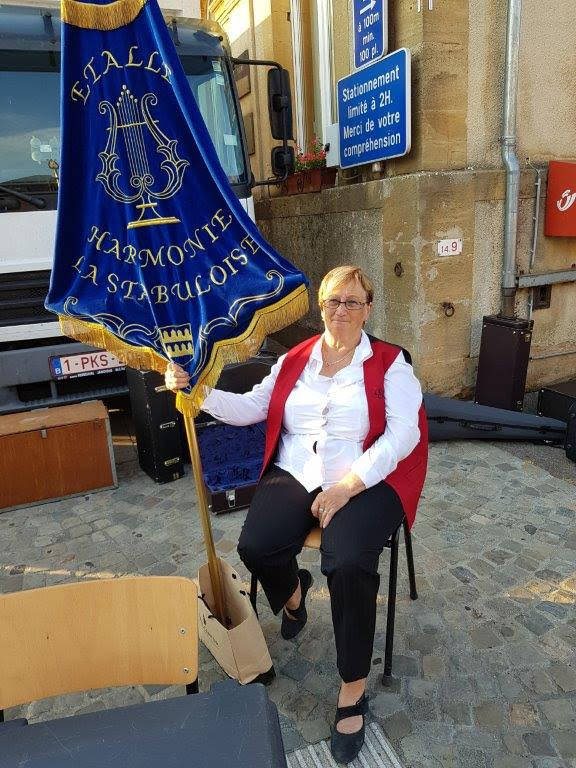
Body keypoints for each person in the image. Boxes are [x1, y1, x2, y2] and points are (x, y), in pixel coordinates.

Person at [166, 265, 427, 764]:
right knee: (256, 546)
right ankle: (292, 592)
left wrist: (347, 486)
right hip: (297, 469)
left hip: (365, 474)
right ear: (320, 306)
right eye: (333, 301)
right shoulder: (294, 358)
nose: (342, 310)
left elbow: (403, 435)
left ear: (368, 308)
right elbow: (252, 407)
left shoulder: (391, 363)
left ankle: (352, 686)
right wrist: (195, 391)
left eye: (353, 301)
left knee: (347, 562)